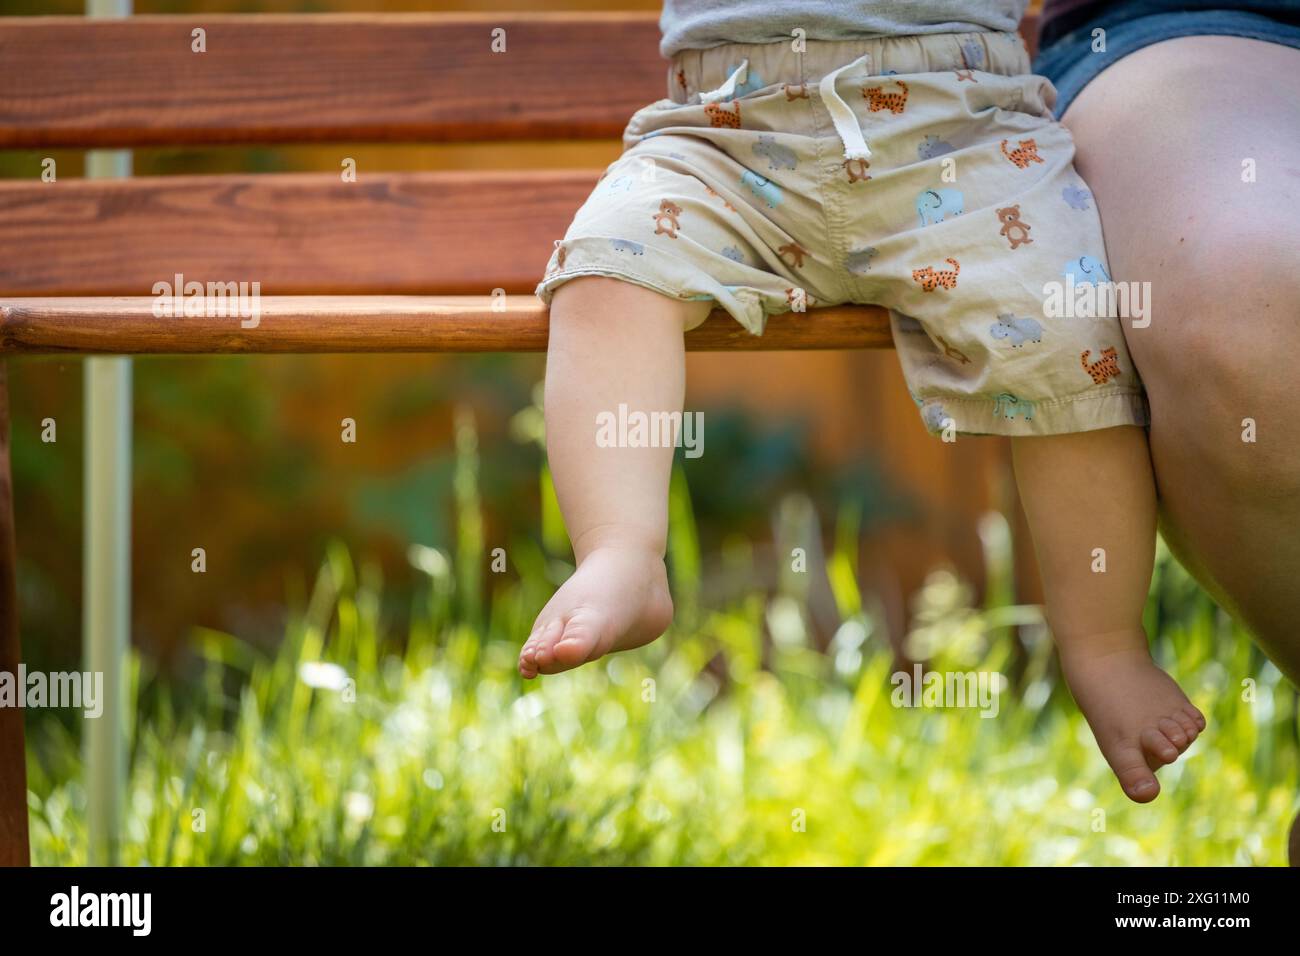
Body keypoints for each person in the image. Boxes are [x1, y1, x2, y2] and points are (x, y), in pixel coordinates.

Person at [520, 0, 1206, 803]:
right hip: (722, 133)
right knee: (607, 268)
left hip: (962, 129)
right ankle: (621, 552)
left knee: (1069, 329)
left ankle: (1103, 643)